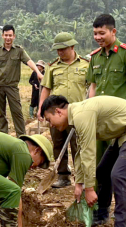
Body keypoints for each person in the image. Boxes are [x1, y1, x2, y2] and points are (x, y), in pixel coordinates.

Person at [41, 95, 126, 227]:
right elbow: (80, 152)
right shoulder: (77, 117)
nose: (51, 125)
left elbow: (89, 153)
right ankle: (101, 215)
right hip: (123, 135)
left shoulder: (82, 115)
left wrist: (89, 189)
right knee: (103, 172)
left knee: (119, 175)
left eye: (49, 120)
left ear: (58, 112)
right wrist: (79, 183)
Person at [38, 32, 89, 188]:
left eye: (63, 49)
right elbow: (46, 88)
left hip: (78, 114)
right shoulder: (53, 67)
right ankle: (63, 176)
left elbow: (92, 87)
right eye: (58, 50)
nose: (60, 53)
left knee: (77, 146)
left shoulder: (86, 65)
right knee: (58, 144)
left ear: (72, 47)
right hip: (56, 114)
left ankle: (80, 177)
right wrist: (41, 108)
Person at [0, 24, 44, 136]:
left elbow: (29, 61)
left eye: (10, 35)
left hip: (12, 87)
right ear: (2, 36)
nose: (8, 38)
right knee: (1, 113)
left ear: (14, 36)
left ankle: (21, 136)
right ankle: (3, 136)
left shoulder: (19, 51)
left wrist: (38, 73)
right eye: (6, 35)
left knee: (17, 112)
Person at [86, 14, 126, 107]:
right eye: (95, 33)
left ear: (113, 31)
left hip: (120, 112)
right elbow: (93, 87)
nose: (98, 37)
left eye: (102, 33)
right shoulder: (95, 57)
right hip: (100, 111)